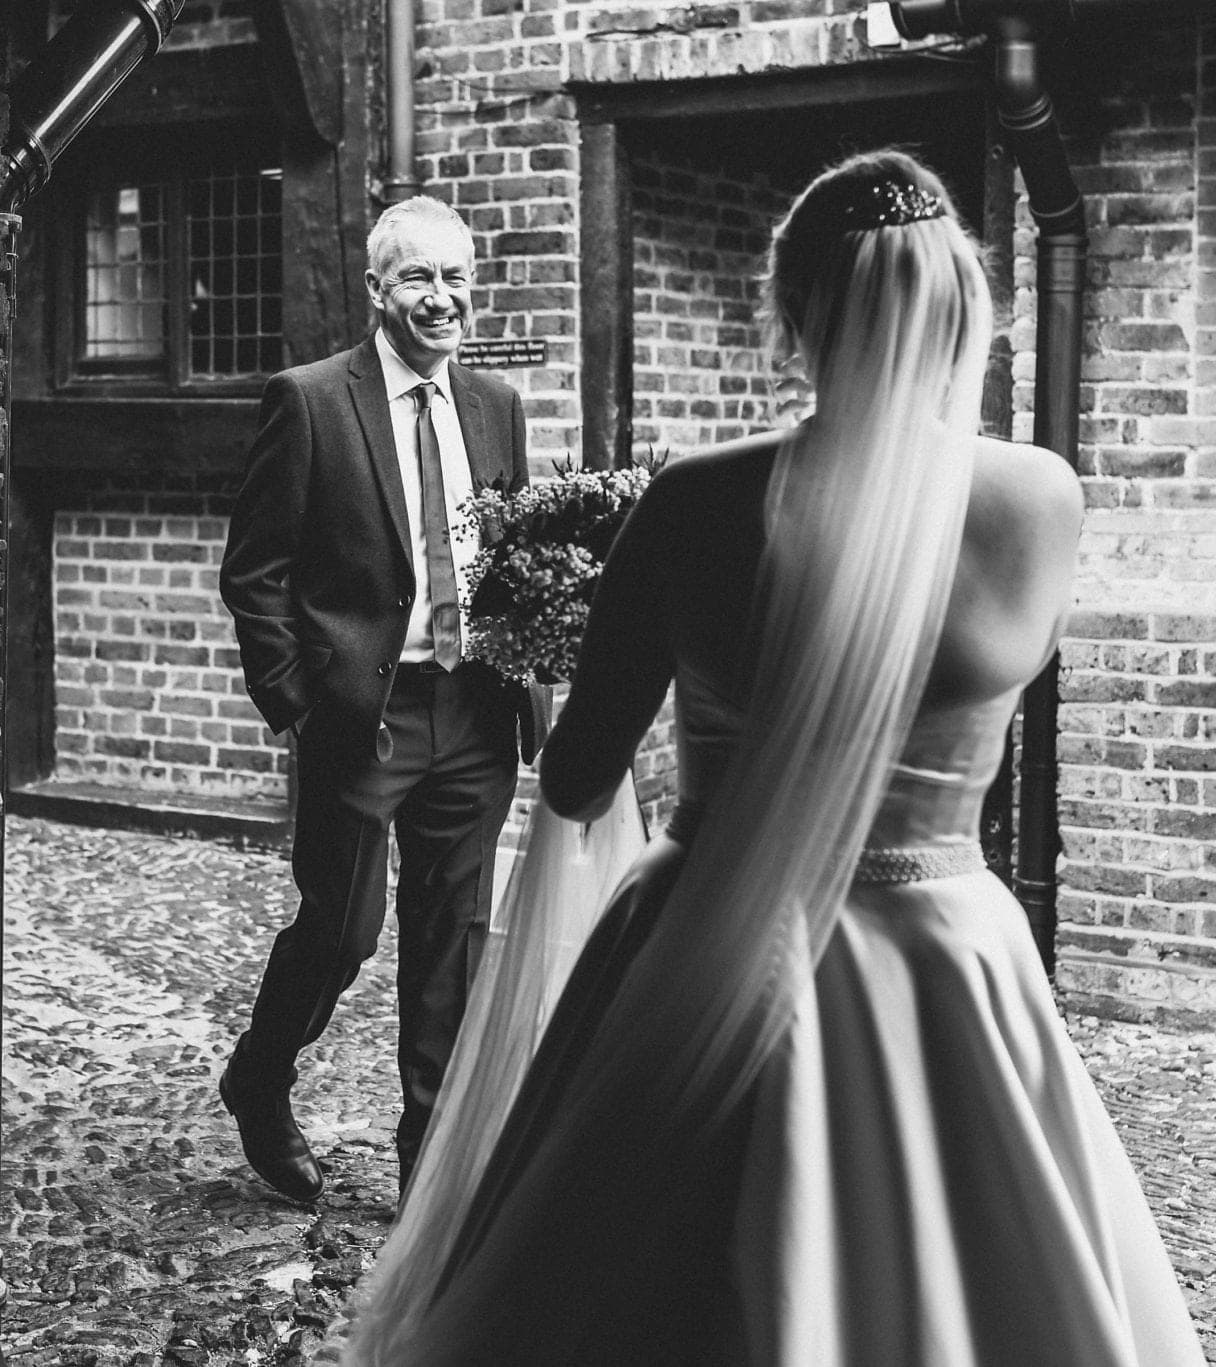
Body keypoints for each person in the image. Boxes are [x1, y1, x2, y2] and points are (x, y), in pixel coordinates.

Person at [345, 150, 1204, 1363]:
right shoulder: (1039, 499)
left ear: (787, 311)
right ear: (960, 307)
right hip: (945, 950)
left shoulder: (694, 501)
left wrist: (609, 613)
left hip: (709, 939)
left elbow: (584, 773)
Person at [217, 195, 536, 1203]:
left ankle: (427, 1161)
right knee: (342, 927)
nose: (439, 298)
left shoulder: (495, 406)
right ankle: (258, 1074)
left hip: (474, 710)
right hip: (365, 716)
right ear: (375, 291)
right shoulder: (310, 400)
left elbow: (506, 553)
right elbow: (255, 569)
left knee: (450, 932)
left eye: (453, 278)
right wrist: (297, 705)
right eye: (417, 279)